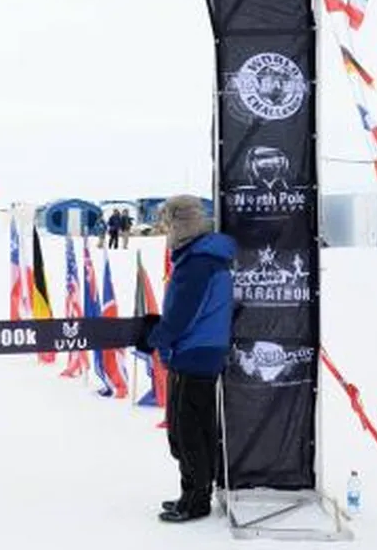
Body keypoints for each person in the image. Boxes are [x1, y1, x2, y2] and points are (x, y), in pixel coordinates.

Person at [136, 195, 235, 523]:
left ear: (180, 225)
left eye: (167, 224)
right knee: (192, 428)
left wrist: (155, 338)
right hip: (199, 351)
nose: (164, 232)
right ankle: (192, 492)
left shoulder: (197, 263)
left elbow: (181, 317)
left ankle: (196, 500)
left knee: (187, 430)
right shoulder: (203, 258)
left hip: (195, 353)